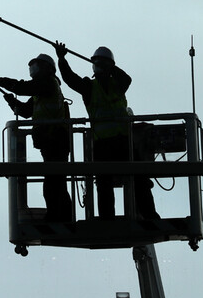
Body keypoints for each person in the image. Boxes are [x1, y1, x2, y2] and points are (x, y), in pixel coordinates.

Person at [54, 42, 159, 220]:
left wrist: (111, 68)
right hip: (103, 143)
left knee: (140, 179)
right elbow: (70, 79)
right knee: (104, 183)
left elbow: (127, 79)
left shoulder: (118, 84)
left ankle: (149, 214)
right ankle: (107, 218)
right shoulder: (89, 87)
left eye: (101, 63)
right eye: (97, 63)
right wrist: (62, 59)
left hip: (122, 141)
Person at [0, 54, 74, 222]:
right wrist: (11, 102)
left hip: (55, 140)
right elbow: (25, 112)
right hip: (51, 140)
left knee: (54, 182)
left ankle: (58, 216)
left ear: (47, 68)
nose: (33, 70)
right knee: (55, 181)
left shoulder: (48, 84)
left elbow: (21, 87)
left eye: (37, 66)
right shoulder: (42, 91)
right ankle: (61, 215)